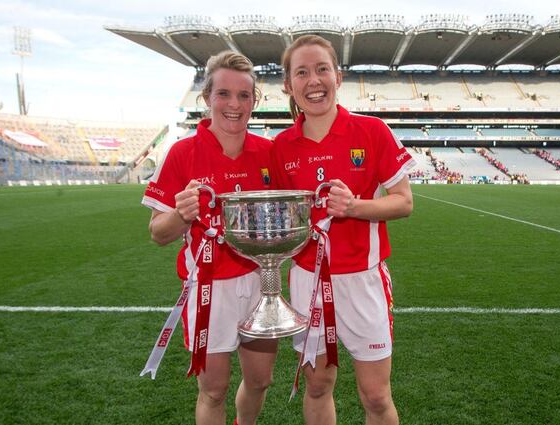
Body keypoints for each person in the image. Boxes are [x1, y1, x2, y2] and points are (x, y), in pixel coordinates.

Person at [270, 35, 415, 424]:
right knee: (317, 386)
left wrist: (355, 207)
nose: (313, 80)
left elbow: (404, 201)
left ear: (338, 75)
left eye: (321, 69)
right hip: (306, 282)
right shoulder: (279, 147)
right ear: (288, 85)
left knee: (376, 396)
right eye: (301, 72)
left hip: (362, 281)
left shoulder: (371, 131)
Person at [142, 51, 276, 425]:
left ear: (254, 101)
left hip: (260, 282)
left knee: (261, 380)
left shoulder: (269, 153)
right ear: (207, 98)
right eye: (224, 94)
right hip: (208, 288)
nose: (234, 105)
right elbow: (157, 233)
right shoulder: (183, 152)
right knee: (213, 389)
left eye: (244, 95)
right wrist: (181, 214)